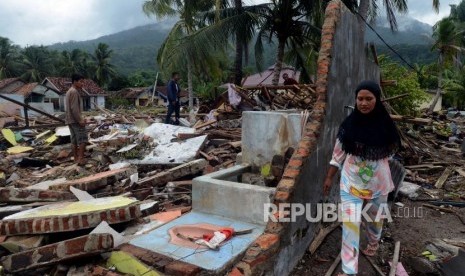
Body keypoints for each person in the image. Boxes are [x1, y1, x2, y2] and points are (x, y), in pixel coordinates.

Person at [323, 80, 401, 276]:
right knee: (350, 225)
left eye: (369, 99)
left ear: (377, 100)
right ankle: (349, 271)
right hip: (350, 182)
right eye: (360, 99)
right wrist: (329, 178)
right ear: (355, 100)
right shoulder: (349, 126)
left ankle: (373, 242)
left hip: (378, 183)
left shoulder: (386, 126)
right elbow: (337, 155)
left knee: (375, 221)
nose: (364, 103)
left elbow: (390, 153)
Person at [65, 73, 88, 166]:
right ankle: (81, 159)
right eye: (81, 81)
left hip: (70, 120)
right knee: (83, 139)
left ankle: (75, 158)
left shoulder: (69, 91)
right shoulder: (74, 92)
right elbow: (74, 109)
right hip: (75, 120)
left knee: (74, 140)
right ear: (75, 81)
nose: (82, 84)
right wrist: (80, 120)